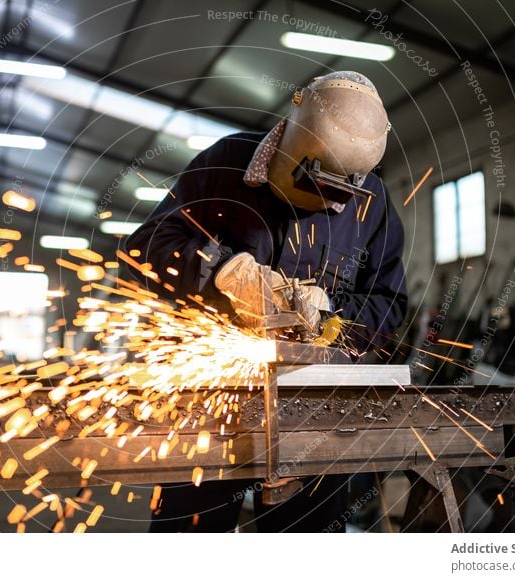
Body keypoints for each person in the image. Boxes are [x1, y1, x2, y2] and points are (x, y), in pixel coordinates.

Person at [125, 71, 407, 532]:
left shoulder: (371, 202)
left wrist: (331, 317)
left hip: (312, 407)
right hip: (211, 403)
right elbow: (142, 249)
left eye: (339, 192)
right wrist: (221, 272)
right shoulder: (224, 162)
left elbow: (388, 305)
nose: (325, 201)